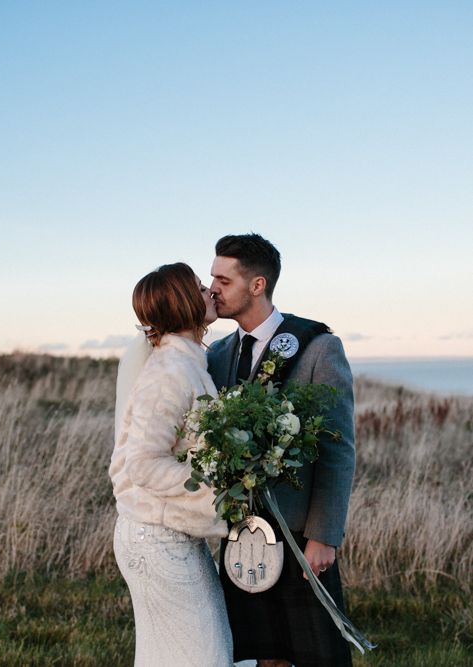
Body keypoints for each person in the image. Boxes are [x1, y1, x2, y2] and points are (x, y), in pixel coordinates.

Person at [207, 233, 356, 667]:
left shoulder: (316, 347)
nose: (212, 287)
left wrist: (324, 535)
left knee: (314, 655)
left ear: (257, 285)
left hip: (298, 535)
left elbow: (337, 447)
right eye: (211, 277)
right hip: (239, 534)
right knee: (261, 654)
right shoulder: (216, 355)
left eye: (223, 279)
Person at [109, 262, 233, 667]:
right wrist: (215, 483)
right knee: (204, 657)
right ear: (183, 303)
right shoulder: (170, 372)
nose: (209, 293)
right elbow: (143, 463)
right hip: (157, 540)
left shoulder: (187, 362)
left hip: (171, 534)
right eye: (200, 289)